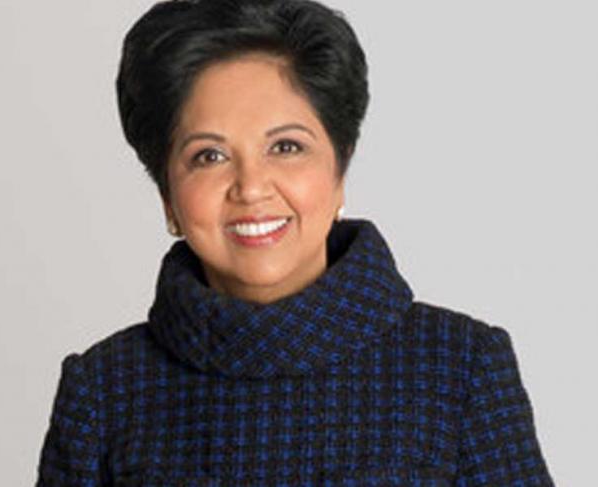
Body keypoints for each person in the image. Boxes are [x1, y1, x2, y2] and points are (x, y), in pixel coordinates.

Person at [35, 0, 555, 484]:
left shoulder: (460, 368)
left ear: (339, 169)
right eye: (209, 157)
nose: (251, 187)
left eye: (286, 147)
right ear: (168, 196)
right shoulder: (103, 391)